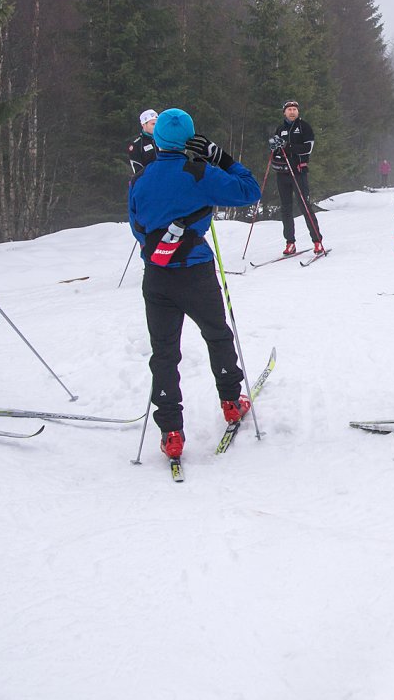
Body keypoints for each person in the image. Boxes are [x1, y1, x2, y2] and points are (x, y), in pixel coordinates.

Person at [129, 108, 263, 460]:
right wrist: (222, 159)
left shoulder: (140, 179)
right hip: (195, 272)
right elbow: (250, 191)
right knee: (217, 334)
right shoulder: (200, 171)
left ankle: (171, 431)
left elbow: (137, 227)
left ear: (157, 138)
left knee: (164, 352)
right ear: (189, 138)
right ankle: (231, 401)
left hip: (157, 275)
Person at [270, 99, 323, 256]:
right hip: (282, 173)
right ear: (284, 112)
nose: (292, 112)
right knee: (286, 208)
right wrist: (274, 148)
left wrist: (288, 146)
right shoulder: (280, 129)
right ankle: (290, 242)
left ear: (298, 112)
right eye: (289, 109)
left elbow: (308, 148)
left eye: (294, 109)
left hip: (299, 172)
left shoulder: (304, 126)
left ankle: (317, 241)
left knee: (305, 206)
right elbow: (276, 150)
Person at [126, 108, 158, 176]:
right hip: (149, 179)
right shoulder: (137, 144)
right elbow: (137, 169)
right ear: (143, 124)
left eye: (157, 124)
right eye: (153, 124)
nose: (156, 127)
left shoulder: (164, 139)